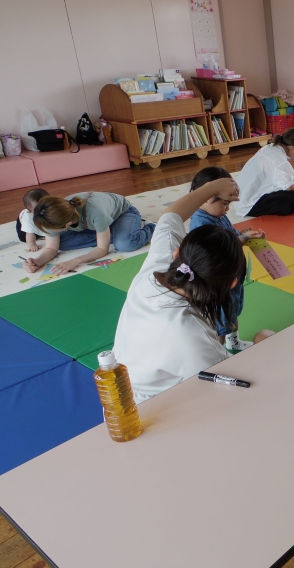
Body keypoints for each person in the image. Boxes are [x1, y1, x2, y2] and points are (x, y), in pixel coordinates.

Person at [114, 176, 273, 404]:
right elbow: (241, 386)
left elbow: (171, 215)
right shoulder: (193, 334)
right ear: (232, 284)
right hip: (150, 409)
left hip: (119, 390)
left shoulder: (157, 267)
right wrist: (264, 345)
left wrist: (213, 187)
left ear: (177, 253)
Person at [189, 166, 266, 352]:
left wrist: (243, 234)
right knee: (221, 321)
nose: (227, 208)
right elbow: (220, 249)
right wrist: (243, 238)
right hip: (219, 284)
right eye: (225, 203)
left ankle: (233, 342)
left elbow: (230, 235)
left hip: (233, 278)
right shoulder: (201, 223)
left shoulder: (217, 215)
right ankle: (219, 353)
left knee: (232, 313)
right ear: (207, 197)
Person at [26, 192, 155, 275]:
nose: (48, 231)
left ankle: (151, 227)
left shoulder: (95, 212)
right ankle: (108, 233)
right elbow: (52, 248)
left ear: (67, 224)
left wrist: (75, 261)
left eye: (51, 229)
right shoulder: (48, 215)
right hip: (94, 223)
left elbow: (102, 249)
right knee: (61, 244)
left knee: (125, 244)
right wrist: (37, 261)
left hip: (123, 213)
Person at [233, 128, 294, 217]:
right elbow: (290, 186)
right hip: (248, 205)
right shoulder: (279, 159)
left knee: (285, 190)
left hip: (241, 198)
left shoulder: (270, 147)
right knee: (293, 198)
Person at [17, 188, 49, 252]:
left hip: (40, 221)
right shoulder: (27, 218)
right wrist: (32, 244)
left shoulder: (52, 209)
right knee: (23, 238)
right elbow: (29, 233)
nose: (43, 211)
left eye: (46, 207)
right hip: (23, 221)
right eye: (38, 210)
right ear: (30, 211)